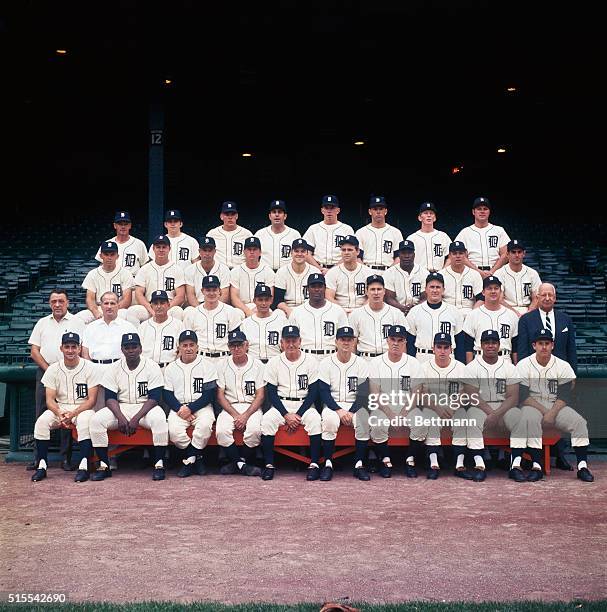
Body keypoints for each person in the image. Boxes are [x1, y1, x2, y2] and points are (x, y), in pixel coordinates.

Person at [516, 328, 594, 483]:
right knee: (529, 419)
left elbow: (565, 395)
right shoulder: (524, 365)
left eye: (547, 343)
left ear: (552, 345)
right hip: (533, 404)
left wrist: (552, 412)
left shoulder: (562, 365)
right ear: (534, 345)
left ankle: (582, 466)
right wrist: (547, 412)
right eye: (540, 343)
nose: (544, 346)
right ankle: (536, 466)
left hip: (556, 404)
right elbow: (523, 396)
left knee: (579, 423)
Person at [89, 333, 168, 481]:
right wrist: (121, 417)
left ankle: (159, 464)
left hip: (145, 408)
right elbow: (110, 399)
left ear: (140, 349)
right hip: (121, 407)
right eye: (127, 347)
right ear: (122, 350)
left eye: (134, 347)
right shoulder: (114, 368)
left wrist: (136, 419)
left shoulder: (151, 366)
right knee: (96, 420)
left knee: (159, 418)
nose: (131, 350)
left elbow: (155, 399)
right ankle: (104, 466)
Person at [30, 332, 100, 483]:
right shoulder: (53, 369)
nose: (70, 350)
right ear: (61, 348)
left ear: (79, 348)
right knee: (41, 422)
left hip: (82, 408)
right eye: (67, 347)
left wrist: (73, 413)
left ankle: (84, 466)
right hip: (60, 408)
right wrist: (59, 412)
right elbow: (49, 399)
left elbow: (92, 400)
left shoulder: (90, 367)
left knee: (85, 421)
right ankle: (42, 466)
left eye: (73, 347)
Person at [27, 289, 85, 470]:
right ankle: (39, 458)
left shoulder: (77, 322)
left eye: (61, 301)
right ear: (49, 303)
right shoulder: (42, 323)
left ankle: (65, 459)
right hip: (45, 372)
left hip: (71, 372)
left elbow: (82, 348)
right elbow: (34, 351)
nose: (57, 304)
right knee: (42, 414)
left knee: (66, 412)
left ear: (67, 303)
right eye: (54, 301)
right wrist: (50, 370)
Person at [260, 325, 323, 481]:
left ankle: (314, 464)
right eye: (287, 341)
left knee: (315, 420)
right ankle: (269, 465)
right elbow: (272, 393)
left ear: (300, 341)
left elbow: (313, 392)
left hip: (304, 405)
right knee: (267, 420)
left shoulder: (311, 361)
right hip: (282, 405)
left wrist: (298, 414)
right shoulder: (274, 362)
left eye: (294, 340)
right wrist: (286, 415)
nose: (291, 344)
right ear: (281, 343)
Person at [463, 330, 525, 482]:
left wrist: (497, 414)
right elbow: (472, 395)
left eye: (493, 342)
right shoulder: (472, 367)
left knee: (519, 417)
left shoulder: (509, 367)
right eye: (486, 342)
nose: (490, 345)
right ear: (481, 345)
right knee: (471, 417)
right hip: (481, 407)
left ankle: (515, 465)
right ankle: (479, 465)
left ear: (499, 345)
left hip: (504, 407)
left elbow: (514, 397)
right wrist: (491, 413)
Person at [367, 325, 424, 478]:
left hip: (408, 405)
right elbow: (375, 394)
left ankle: (410, 460)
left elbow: (417, 393)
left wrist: (404, 413)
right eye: (393, 339)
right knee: (377, 424)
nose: (396, 343)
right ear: (387, 340)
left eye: (400, 340)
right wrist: (391, 415)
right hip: (384, 405)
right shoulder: (376, 362)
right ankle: (385, 460)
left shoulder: (413, 363)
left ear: (405, 342)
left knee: (421, 423)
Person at [318, 326, 371, 481]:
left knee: (363, 420)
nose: (346, 343)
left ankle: (359, 464)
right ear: (336, 342)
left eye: (349, 340)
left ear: (354, 342)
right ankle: (328, 464)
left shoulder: (361, 363)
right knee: (329, 420)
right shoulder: (326, 362)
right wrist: (339, 410)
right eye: (343, 339)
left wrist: (352, 411)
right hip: (333, 405)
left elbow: (363, 393)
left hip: (354, 404)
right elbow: (323, 392)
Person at [164, 330, 218, 477]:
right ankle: (197, 457)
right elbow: (167, 394)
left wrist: (190, 409)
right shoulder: (170, 368)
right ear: (179, 347)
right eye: (185, 345)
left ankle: (189, 461)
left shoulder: (207, 365)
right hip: (179, 407)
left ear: (197, 347)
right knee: (174, 432)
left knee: (205, 426)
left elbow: (209, 395)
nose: (188, 348)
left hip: (201, 407)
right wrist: (181, 409)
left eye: (191, 345)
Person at [418, 332, 468, 479]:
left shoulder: (460, 367)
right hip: (433, 407)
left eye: (446, 347)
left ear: (451, 349)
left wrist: (453, 407)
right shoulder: (424, 367)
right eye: (439, 347)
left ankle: (459, 464)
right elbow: (422, 393)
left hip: (454, 407)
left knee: (463, 417)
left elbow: (465, 391)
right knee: (429, 417)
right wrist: (437, 408)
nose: (442, 351)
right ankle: (433, 462)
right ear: (433, 348)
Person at [215, 330, 265, 476]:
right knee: (221, 431)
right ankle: (242, 465)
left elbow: (260, 396)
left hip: (252, 407)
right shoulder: (222, 364)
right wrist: (236, 415)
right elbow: (220, 395)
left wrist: (246, 415)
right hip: (231, 407)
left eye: (239, 345)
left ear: (246, 345)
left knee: (255, 431)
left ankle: (236, 463)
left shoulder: (257, 364)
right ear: (229, 347)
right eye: (233, 345)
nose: (236, 349)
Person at [182, 275, 244, 364]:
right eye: (208, 290)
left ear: (219, 291)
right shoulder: (193, 314)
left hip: (224, 358)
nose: (211, 293)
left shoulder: (230, 312)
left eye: (214, 290)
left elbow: (236, 338)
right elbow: (186, 339)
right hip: (200, 358)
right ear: (202, 291)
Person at [406, 272, 465, 363]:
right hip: (422, 357)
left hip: (448, 359)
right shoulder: (415, 312)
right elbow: (410, 342)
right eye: (432, 287)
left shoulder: (454, 311)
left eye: (438, 287)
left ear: (443, 289)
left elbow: (460, 343)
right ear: (425, 289)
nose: (435, 290)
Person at [288, 273, 348, 360]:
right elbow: (291, 340)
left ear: (325, 288)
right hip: (305, 357)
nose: (317, 289)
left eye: (320, 286)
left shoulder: (338, 311)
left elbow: (345, 339)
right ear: (307, 289)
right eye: (313, 286)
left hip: (330, 356)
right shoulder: (297, 312)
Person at [128, 234, 186, 324]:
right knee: (133, 311)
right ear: (153, 249)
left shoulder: (177, 269)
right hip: (150, 306)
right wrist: (150, 309)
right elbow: (138, 293)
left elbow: (180, 296)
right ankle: (138, 338)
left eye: (164, 247)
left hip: (169, 306)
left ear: (169, 249)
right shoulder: (144, 269)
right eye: (158, 247)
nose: (161, 250)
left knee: (178, 311)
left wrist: (166, 308)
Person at [348, 274, 408, 360]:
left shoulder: (396, 313)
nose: (376, 293)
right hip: (365, 359)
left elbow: (403, 343)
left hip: (388, 359)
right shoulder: (356, 314)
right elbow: (353, 343)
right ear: (366, 291)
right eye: (372, 289)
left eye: (379, 289)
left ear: (384, 291)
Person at [462, 276, 519, 364]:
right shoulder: (473, 315)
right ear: (483, 292)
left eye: (496, 288)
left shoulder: (511, 315)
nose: (493, 291)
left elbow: (515, 347)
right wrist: (470, 367)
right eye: (489, 288)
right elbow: (468, 347)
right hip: (480, 359)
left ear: (500, 292)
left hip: (505, 359)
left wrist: (516, 367)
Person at [77, 241, 134, 324]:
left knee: (129, 316)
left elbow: (127, 300)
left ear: (117, 256)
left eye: (112, 254)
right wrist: (95, 311)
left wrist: (112, 309)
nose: (109, 257)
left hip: (119, 309)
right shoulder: (92, 274)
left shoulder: (126, 273)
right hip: (99, 308)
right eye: (106, 254)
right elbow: (90, 298)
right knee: (78, 318)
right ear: (101, 256)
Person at [454, 197, 510, 278]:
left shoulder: (499, 230)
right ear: (473, 212)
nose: (482, 211)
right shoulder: (465, 232)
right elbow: (460, 256)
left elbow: (505, 254)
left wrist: (492, 271)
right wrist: (478, 272)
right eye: (479, 209)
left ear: (489, 211)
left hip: (496, 272)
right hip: (472, 273)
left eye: (485, 209)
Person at [302, 195, 354, 272]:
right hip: (318, 269)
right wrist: (319, 269)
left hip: (341, 269)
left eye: (332, 208)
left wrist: (333, 270)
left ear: (338, 210)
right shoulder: (313, 228)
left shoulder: (347, 229)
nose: (329, 211)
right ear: (322, 210)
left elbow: (352, 253)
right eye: (326, 208)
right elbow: (306, 252)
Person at [325, 235, 373, 314]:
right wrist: (342, 311)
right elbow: (328, 296)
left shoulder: (368, 272)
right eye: (343, 250)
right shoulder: (332, 272)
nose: (346, 253)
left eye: (350, 250)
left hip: (363, 311)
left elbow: (372, 297)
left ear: (357, 252)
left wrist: (361, 311)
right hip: (339, 311)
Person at [229, 236, 275, 317]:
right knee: (236, 314)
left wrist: (258, 309)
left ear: (260, 252)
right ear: (244, 252)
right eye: (249, 249)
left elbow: (270, 296)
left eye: (255, 249)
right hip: (241, 308)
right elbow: (234, 297)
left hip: (262, 307)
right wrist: (247, 311)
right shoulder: (236, 271)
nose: (252, 252)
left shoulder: (268, 271)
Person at [138, 290, 185, 369]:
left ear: (168, 305)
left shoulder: (178, 325)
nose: (159, 306)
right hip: (148, 369)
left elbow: (182, 349)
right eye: (156, 303)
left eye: (162, 303)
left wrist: (174, 367)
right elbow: (138, 350)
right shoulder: (143, 326)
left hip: (169, 368)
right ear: (151, 306)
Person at [354, 195, 402, 272]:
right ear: (370, 211)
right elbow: (357, 257)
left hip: (389, 270)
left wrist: (390, 271)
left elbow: (399, 257)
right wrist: (365, 271)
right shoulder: (361, 232)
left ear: (385, 211)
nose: (378, 212)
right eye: (375, 209)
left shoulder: (395, 232)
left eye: (381, 209)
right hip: (366, 269)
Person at [273, 238, 319, 317]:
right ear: (291, 253)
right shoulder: (282, 272)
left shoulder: (315, 272)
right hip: (287, 308)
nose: (299, 254)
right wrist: (288, 310)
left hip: (308, 307)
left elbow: (319, 297)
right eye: (296, 251)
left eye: (303, 251)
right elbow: (277, 300)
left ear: (307, 253)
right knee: (277, 313)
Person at [94, 210, 149, 277]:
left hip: (132, 282)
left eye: (126, 224)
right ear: (115, 225)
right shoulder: (107, 244)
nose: (123, 227)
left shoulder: (139, 244)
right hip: (112, 280)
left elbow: (145, 267)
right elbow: (101, 266)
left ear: (130, 225)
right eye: (120, 224)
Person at [240, 284, 286, 363]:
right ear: (254, 301)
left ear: (271, 300)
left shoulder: (281, 321)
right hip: (253, 363)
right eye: (260, 300)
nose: (264, 303)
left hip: (275, 362)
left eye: (266, 299)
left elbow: (285, 348)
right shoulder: (246, 323)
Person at [494, 240, 542, 315]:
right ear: (507, 254)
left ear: (524, 254)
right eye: (513, 252)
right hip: (506, 311)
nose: (517, 255)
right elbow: (499, 300)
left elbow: (537, 297)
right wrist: (515, 313)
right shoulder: (499, 274)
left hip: (528, 310)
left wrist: (528, 313)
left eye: (519, 252)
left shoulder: (532, 273)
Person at [383, 240, 429, 316]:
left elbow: (425, 297)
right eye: (403, 253)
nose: (406, 256)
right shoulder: (389, 273)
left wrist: (414, 309)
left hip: (419, 312)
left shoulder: (424, 273)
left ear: (414, 255)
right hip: (396, 312)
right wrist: (403, 308)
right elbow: (389, 298)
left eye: (409, 253)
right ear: (399, 255)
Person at [254, 200, 302, 271]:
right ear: (270, 216)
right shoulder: (260, 234)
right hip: (265, 273)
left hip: (288, 273)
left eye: (279, 212)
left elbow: (301, 255)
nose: (277, 215)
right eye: (274, 212)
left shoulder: (294, 234)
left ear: (285, 216)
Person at [441, 241, 483, 320]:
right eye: (454, 253)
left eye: (461, 253)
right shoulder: (442, 275)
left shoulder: (474, 274)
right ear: (449, 255)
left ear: (466, 254)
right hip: (447, 313)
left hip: (469, 312)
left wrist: (473, 314)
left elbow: (481, 298)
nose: (458, 256)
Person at [184, 236, 230, 306]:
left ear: (214, 251)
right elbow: (191, 295)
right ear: (199, 251)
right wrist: (200, 311)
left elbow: (224, 295)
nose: (207, 253)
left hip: (218, 306)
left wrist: (214, 309)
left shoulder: (224, 269)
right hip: (197, 306)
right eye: (205, 250)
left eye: (210, 250)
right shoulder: (190, 270)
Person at [406, 202, 451, 272]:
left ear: (435, 218)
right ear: (419, 218)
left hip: (439, 274)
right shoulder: (412, 238)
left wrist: (444, 271)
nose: (429, 215)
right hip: (419, 275)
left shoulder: (443, 236)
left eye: (431, 213)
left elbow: (451, 256)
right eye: (425, 213)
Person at [206, 201, 253, 269]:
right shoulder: (212, 234)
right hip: (219, 270)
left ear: (236, 216)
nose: (230, 217)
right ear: (221, 216)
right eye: (227, 214)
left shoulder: (247, 234)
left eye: (232, 214)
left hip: (240, 270)